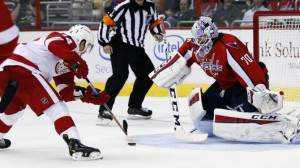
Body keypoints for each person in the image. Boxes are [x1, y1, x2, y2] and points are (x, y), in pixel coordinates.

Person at [150, 16, 300, 143]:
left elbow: (249, 72)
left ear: (211, 34)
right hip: (225, 85)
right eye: (196, 37)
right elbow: (178, 60)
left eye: (201, 37)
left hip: (247, 84)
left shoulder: (228, 45)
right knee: (205, 108)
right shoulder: (194, 46)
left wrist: (260, 94)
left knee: (251, 112)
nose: (197, 41)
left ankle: (288, 125)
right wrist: (164, 74)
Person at [0, 24, 111, 160]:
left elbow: (66, 91)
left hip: (6, 71)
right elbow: (52, 43)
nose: (85, 50)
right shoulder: (67, 40)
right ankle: (75, 145)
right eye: (87, 46)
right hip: (23, 67)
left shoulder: (66, 61)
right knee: (56, 108)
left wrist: (89, 95)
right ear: (82, 41)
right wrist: (76, 60)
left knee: (12, 112)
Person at [97, 0, 163, 124]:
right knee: (120, 75)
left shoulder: (151, 7)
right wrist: (105, 42)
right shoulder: (123, 7)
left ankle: (134, 107)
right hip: (120, 45)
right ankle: (104, 110)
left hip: (137, 47)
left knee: (148, 75)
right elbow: (105, 23)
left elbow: (154, 22)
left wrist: (157, 33)